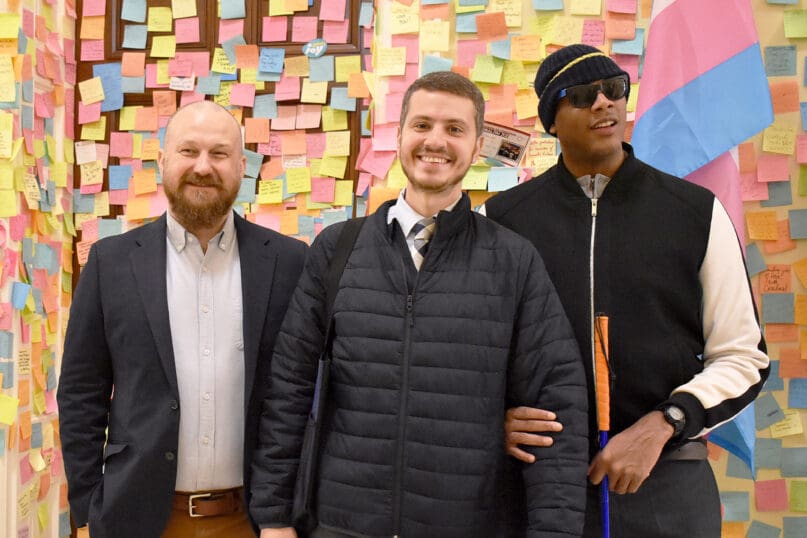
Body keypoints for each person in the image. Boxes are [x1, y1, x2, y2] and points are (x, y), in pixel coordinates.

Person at [249, 71, 589, 538]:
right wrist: (273, 518)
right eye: (422, 125)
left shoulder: (513, 260)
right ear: (400, 135)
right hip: (342, 525)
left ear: (475, 147)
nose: (436, 141)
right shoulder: (336, 250)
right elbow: (289, 388)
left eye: (455, 129)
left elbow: (555, 411)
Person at [484, 44, 771, 537]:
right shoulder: (502, 220)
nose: (603, 104)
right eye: (582, 96)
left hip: (665, 477)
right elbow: (470, 352)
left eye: (614, 90)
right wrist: (492, 418)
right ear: (552, 121)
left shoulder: (695, 212)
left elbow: (744, 357)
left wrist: (664, 423)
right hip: (538, 483)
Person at [57, 100, 307, 538]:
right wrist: (84, 511)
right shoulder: (110, 262)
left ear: (242, 166)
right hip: (135, 518)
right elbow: (81, 393)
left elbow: (300, 396)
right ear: (163, 161)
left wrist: (283, 513)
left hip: (252, 521)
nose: (203, 167)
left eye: (219, 153)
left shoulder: (289, 262)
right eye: (189, 151)